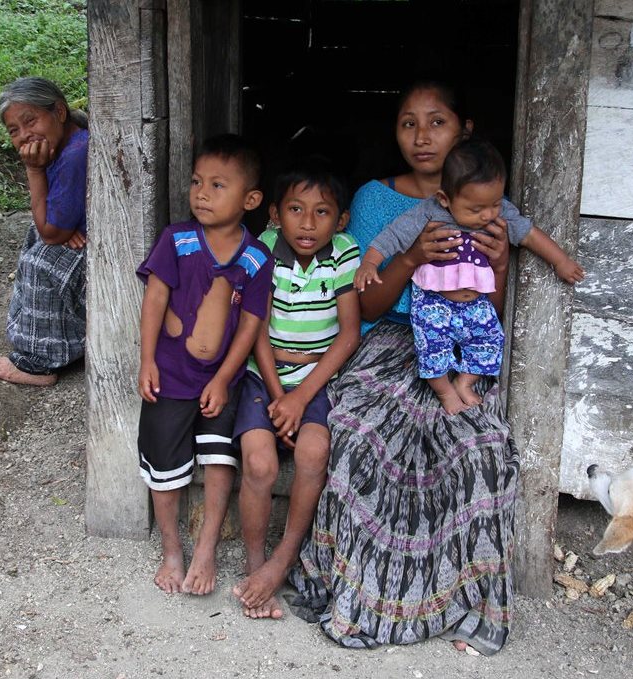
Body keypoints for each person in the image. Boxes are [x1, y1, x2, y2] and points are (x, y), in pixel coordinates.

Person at [290, 80, 518, 656]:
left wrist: (501, 265)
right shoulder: (374, 200)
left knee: (481, 446)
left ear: (464, 129)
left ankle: (465, 605)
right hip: (391, 340)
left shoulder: (487, 207)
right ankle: (365, 597)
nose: (421, 136)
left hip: (460, 350)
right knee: (362, 439)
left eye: (436, 122)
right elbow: (366, 305)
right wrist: (412, 257)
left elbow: (488, 311)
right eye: (408, 123)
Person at [135, 134, 274, 595]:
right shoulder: (177, 240)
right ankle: (172, 550)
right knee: (165, 465)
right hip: (170, 377)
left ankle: (206, 549)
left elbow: (251, 324)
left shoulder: (256, 257)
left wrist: (222, 378)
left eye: (218, 185)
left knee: (219, 461)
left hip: (221, 382)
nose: (202, 193)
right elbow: (155, 298)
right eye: (197, 182)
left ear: (250, 199)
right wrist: (147, 361)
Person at [355, 138, 583, 414]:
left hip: (476, 305)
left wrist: (560, 261)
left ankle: (465, 382)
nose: (487, 215)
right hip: (434, 303)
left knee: (491, 341)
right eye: (475, 209)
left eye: (495, 204)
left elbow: (529, 234)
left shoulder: (498, 215)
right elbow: (392, 236)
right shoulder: (429, 212)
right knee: (431, 346)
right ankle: (444, 390)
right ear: (445, 199)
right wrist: (369, 263)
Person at [231, 161, 361, 619]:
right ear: (274, 214)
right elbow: (257, 330)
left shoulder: (345, 253)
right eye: (296, 209)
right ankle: (255, 566)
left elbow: (348, 336)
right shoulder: (264, 248)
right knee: (261, 463)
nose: (308, 223)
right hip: (261, 375)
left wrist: (300, 399)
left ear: (341, 220)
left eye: (322, 212)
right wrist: (277, 395)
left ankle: (283, 559)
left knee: (311, 454)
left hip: (316, 379)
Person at [0, 77, 89, 387]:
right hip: (77, 233)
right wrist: (56, 230)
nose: (24, 135)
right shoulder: (67, 144)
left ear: (58, 111)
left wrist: (33, 171)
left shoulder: (74, 155)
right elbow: (50, 225)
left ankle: (38, 363)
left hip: (98, 249)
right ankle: (58, 338)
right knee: (37, 236)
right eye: (14, 130)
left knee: (41, 263)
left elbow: (51, 233)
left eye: (30, 121)